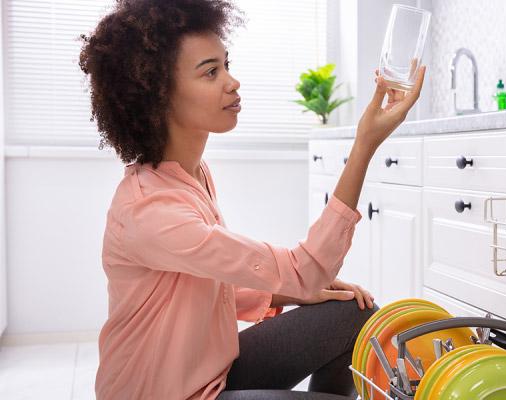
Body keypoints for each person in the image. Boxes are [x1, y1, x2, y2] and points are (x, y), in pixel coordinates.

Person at [78, 1, 425, 399]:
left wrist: (297, 292)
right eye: (211, 72)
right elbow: (305, 269)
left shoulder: (191, 175)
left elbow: (205, 287)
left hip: (212, 375)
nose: (232, 82)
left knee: (351, 312)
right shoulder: (148, 211)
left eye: (226, 64)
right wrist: (365, 142)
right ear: (160, 96)